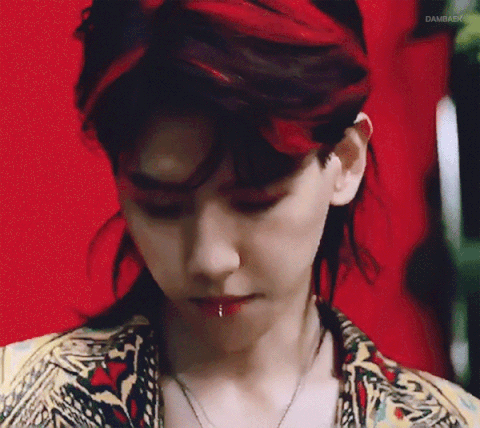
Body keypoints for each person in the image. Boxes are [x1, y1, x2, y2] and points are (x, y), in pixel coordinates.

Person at [0, 1, 479, 427]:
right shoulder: (19, 404)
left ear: (345, 161)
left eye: (255, 201)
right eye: (162, 207)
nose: (210, 260)